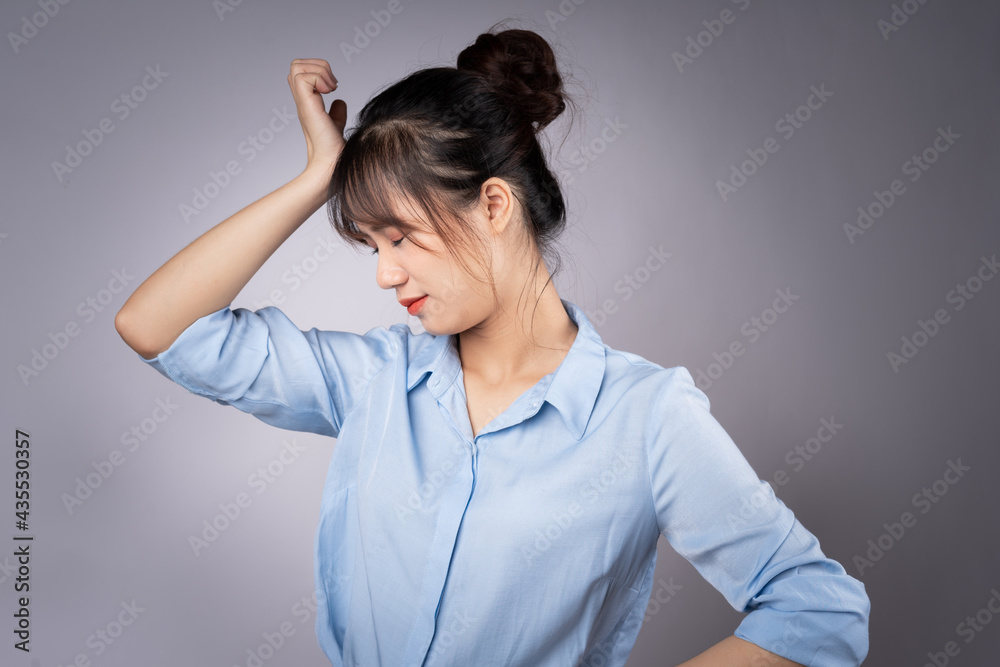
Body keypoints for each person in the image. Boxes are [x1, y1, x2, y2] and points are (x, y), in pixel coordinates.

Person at [115, 24, 870, 667]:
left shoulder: (645, 416)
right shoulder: (374, 379)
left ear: (494, 205)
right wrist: (319, 176)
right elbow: (157, 326)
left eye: (400, 235)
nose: (384, 273)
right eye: (371, 243)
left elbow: (819, 607)